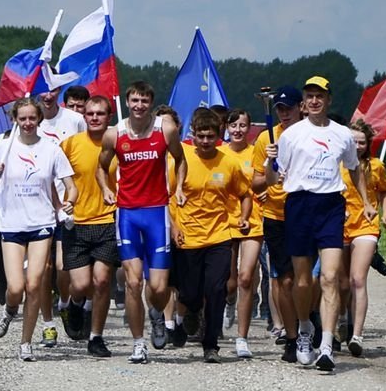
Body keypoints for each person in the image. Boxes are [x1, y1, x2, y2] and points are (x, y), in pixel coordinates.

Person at [267, 76, 377, 371]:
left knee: (329, 277)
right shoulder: (291, 135)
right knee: (304, 281)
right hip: (299, 205)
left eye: (320, 96)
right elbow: (273, 179)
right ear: (303, 103)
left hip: (330, 205)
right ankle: (305, 330)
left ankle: (326, 346)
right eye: (310, 96)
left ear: (329, 100)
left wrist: (366, 202)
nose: (315, 101)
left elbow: (355, 171)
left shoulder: (342, 134)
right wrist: (269, 163)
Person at [97, 81, 187, 364]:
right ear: (128, 101)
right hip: (127, 213)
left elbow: (181, 159)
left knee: (159, 288)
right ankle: (138, 343)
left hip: (157, 212)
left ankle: (158, 314)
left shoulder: (165, 129)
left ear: (151, 103)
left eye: (144, 101)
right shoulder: (115, 133)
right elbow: (101, 167)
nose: (139, 106)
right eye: (134, 100)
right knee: (134, 283)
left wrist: (180, 186)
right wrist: (106, 188)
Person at [0, 97, 77, 362]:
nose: (28, 123)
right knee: (15, 287)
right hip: (11, 224)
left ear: (39, 119)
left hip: (41, 222)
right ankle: (8, 312)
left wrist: (69, 203)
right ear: (15, 119)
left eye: (32, 118)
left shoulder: (51, 149)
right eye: (22, 118)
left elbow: (70, 186)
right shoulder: (2, 147)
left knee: (35, 283)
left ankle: (26, 343)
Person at [170, 108, 252, 363]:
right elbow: (167, 196)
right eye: (201, 136)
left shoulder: (228, 162)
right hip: (188, 237)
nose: (205, 142)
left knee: (217, 289)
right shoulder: (180, 160)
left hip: (219, 236)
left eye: (210, 137)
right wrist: (174, 227)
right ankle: (191, 311)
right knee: (190, 293)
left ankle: (211, 344)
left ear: (219, 135)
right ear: (192, 134)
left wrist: (244, 217)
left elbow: (245, 194)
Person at [59, 95, 120, 357]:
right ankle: (74, 303)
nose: (95, 118)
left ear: (109, 117)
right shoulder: (70, 144)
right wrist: (60, 205)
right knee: (82, 285)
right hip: (77, 222)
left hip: (107, 219)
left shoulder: (118, 144)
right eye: (90, 114)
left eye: (100, 114)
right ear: (84, 116)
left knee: (103, 281)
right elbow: (53, 175)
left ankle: (96, 337)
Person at [251, 85, 303, 363]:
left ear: (300, 108)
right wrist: (271, 162)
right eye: (279, 109)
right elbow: (257, 182)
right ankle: (292, 339)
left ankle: (309, 324)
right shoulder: (265, 139)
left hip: (306, 213)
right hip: (276, 216)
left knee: (308, 279)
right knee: (284, 281)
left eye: (289, 108)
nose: (284, 114)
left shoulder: (309, 135)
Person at [36, 86, 86, 347]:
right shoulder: (29, 119)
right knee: (44, 270)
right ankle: (47, 325)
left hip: (68, 205)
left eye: (52, 89)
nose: (47, 95)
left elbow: (88, 155)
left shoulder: (74, 120)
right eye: (42, 89)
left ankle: (65, 303)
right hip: (38, 207)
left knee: (62, 268)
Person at [340, 119, 386, 357]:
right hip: (339, 226)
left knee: (357, 279)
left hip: (366, 226)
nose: (358, 146)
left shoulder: (376, 166)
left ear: (368, 143)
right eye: (353, 141)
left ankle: (357, 335)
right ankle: (341, 318)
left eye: (361, 142)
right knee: (340, 282)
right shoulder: (336, 164)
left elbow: (385, 190)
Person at [219, 109, 264, 358]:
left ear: (249, 128)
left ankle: (242, 338)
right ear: (226, 127)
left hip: (252, 222)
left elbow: (265, 179)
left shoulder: (254, 153)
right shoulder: (219, 153)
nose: (238, 129)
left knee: (247, 277)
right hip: (224, 221)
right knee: (229, 281)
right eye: (233, 125)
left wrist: (267, 188)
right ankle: (229, 302)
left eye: (243, 125)